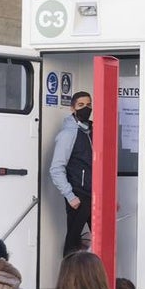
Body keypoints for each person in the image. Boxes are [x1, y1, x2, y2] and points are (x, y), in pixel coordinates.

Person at [49, 91, 94, 256]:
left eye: (89, 105)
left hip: (94, 195)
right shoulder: (68, 135)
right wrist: (70, 195)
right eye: (81, 105)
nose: (86, 108)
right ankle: (68, 279)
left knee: (101, 239)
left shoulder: (93, 130)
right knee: (72, 243)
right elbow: (56, 168)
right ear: (72, 108)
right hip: (78, 196)